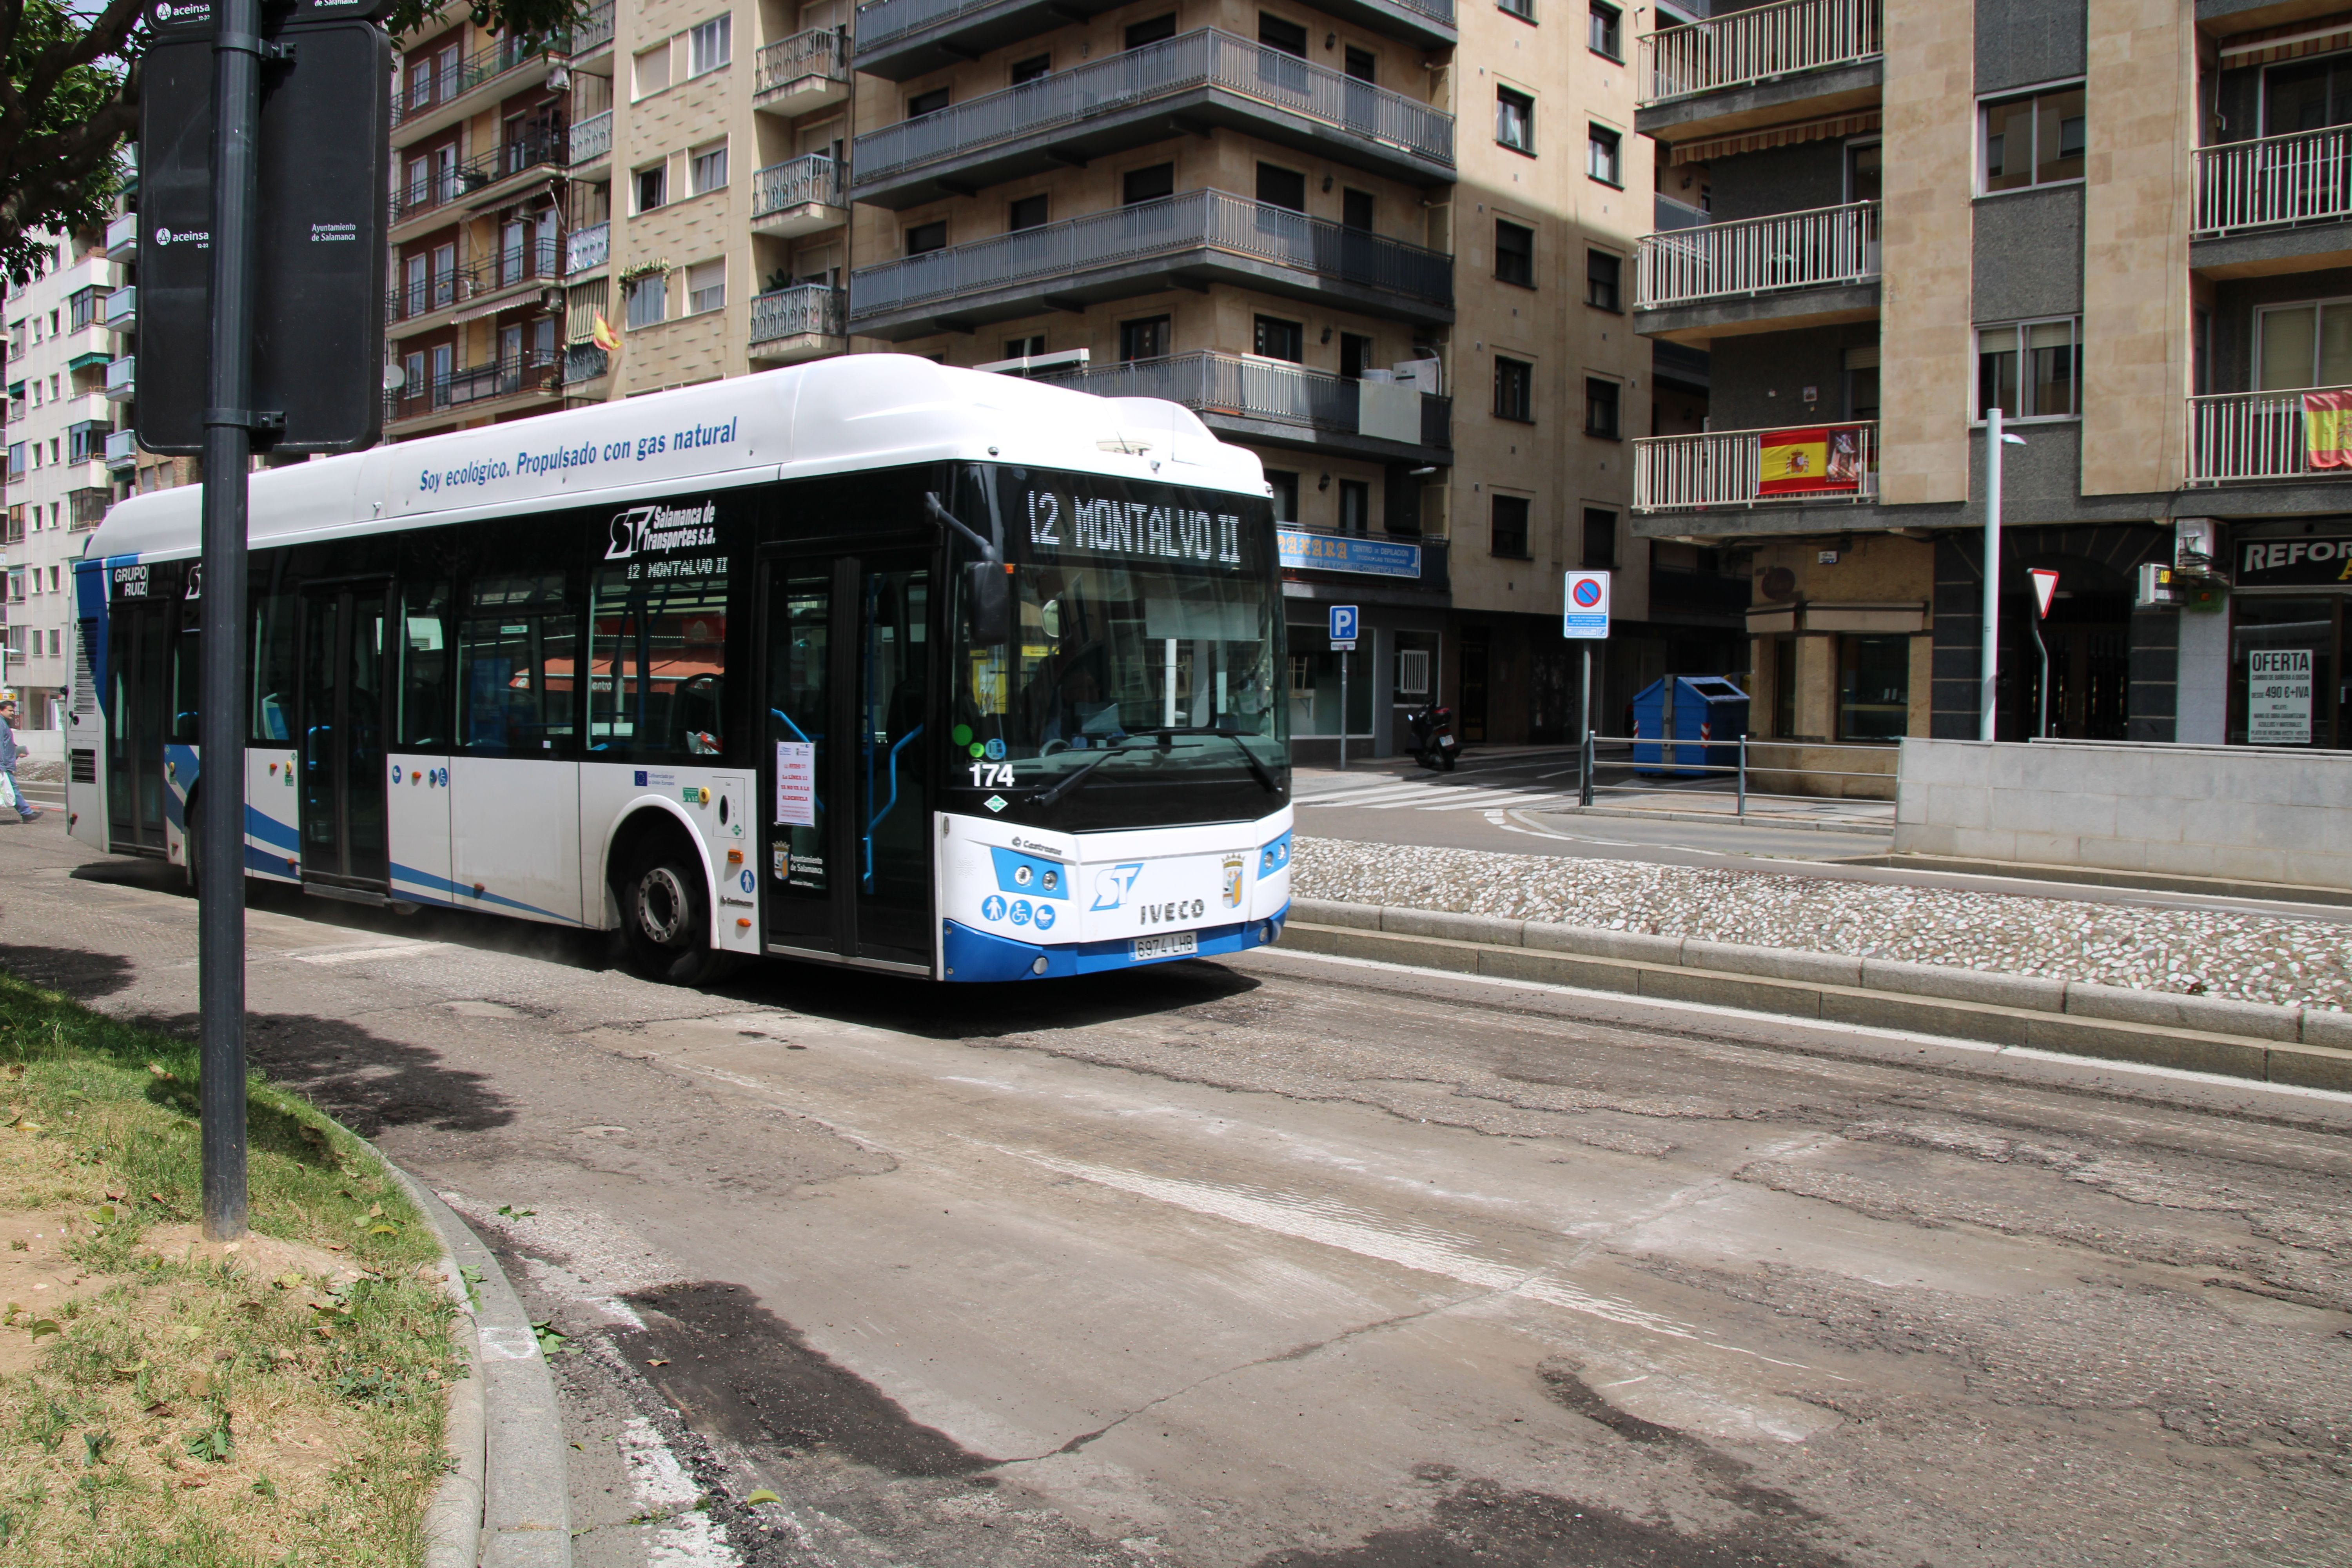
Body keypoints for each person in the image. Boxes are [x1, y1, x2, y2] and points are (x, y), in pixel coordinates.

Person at [0, 697, 38, 823]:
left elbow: (6, 743)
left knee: (11, 789)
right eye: (10, 710)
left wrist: (16, 751)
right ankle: (27, 813)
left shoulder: (4, 723)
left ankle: (26, 813)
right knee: (13, 789)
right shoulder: (1, 724)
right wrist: (2, 765)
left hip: (6, 763)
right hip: (3, 764)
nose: (12, 713)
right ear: (1, 711)